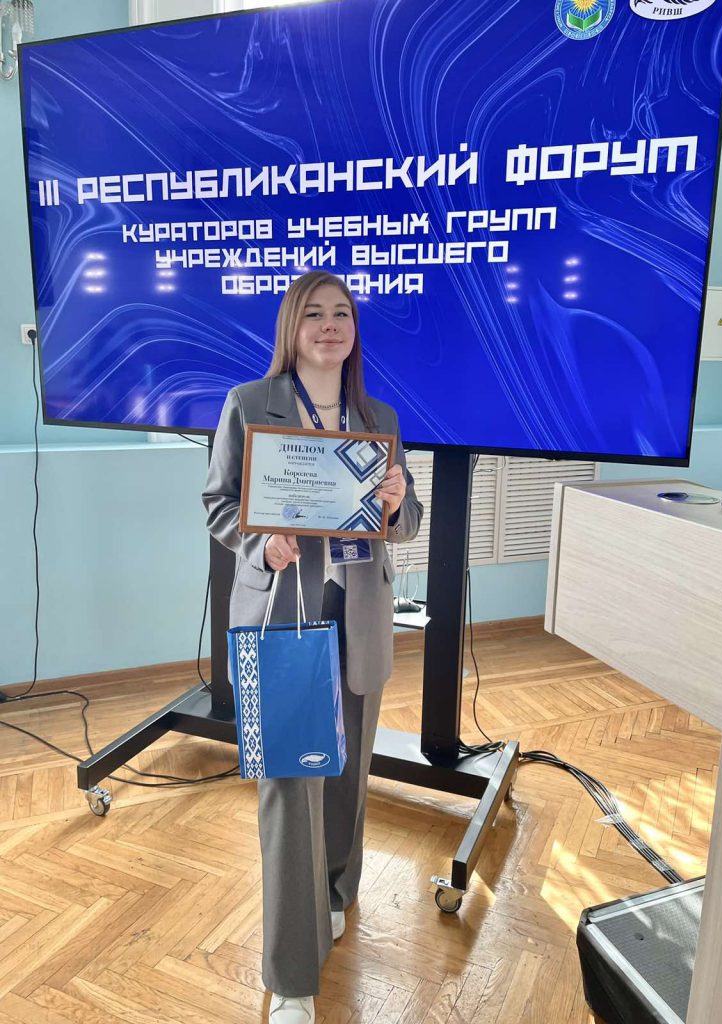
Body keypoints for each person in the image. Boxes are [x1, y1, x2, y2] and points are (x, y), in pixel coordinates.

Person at [202, 271, 423, 1023]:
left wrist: (397, 504)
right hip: (283, 613)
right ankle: (292, 976)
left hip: (358, 614)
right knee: (289, 787)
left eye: (343, 314)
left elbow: (407, 521)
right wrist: (261, 547)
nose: (331, 326)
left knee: (347, 777)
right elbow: (219, 505)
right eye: (315, 314)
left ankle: (333, 892)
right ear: (291, 328)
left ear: (354, 331)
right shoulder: (249, 404)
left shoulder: (378, 416)